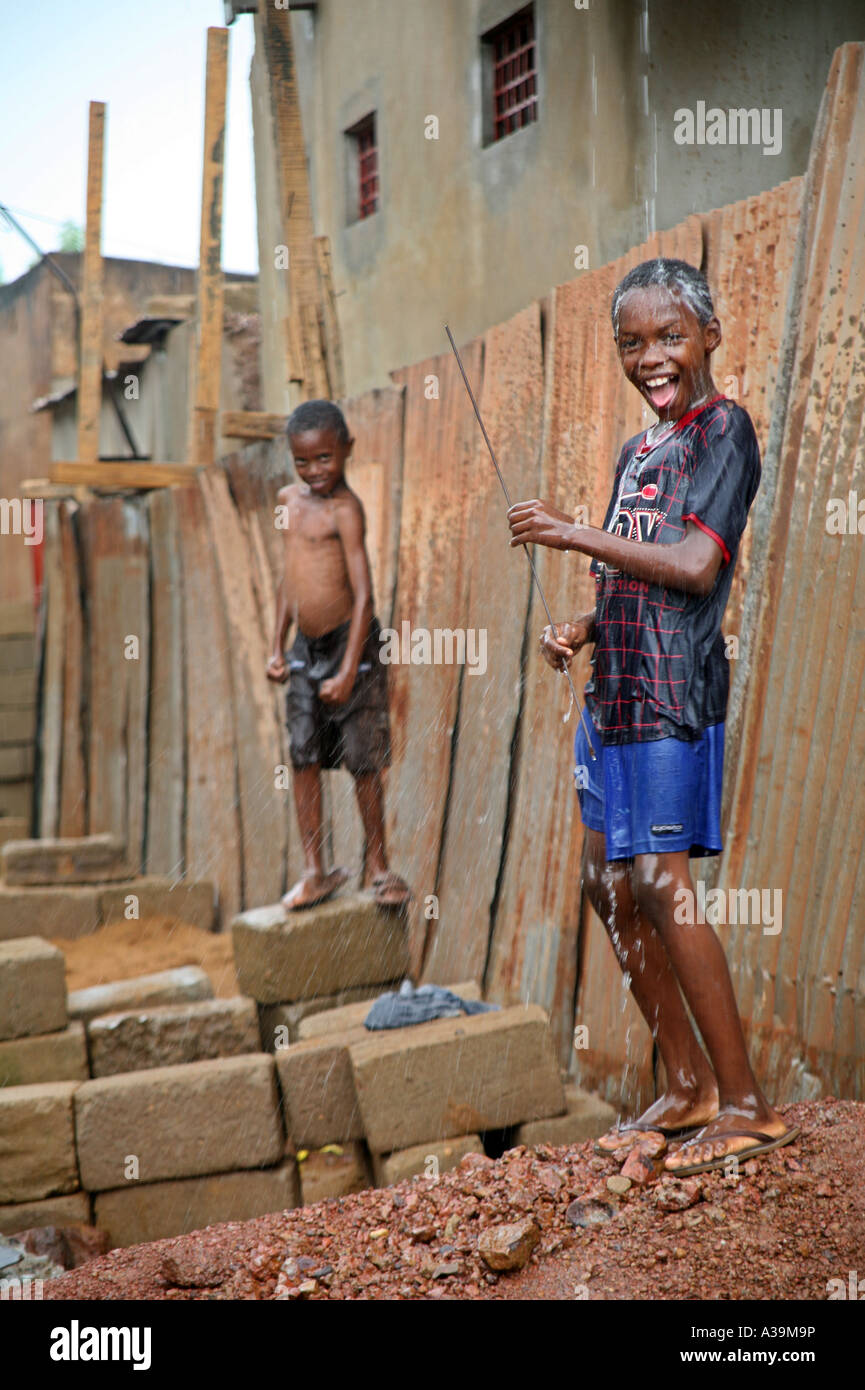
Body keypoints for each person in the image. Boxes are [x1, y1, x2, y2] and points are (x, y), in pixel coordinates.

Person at [506, 258, 798, 1177]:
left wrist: (564, 532)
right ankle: (686, 1084)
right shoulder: (638, 454)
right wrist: (581, 622)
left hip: (672, 693)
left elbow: (691, 566)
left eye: (669, 336)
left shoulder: (725, 434)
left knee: (664, 887)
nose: (651, 357)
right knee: (608, 882)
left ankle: (748, 1104)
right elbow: (629, 566)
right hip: (614, 691)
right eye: (632, 343)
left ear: (709, 336)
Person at [266, 399, 411, 911]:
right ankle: (315, 868)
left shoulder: (345, 510)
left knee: (362, 758)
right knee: (302, 752)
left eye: (325, 458)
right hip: (304, 646)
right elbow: (290, 578)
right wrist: (275, 646)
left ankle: (378, 866)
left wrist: (351, 668)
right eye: (303, 461)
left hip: (354, 643)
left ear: (346, 449)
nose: (314, 471)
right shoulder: (288, 500)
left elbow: (364, 592)